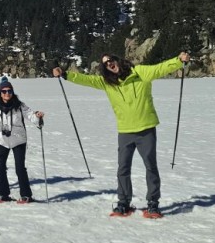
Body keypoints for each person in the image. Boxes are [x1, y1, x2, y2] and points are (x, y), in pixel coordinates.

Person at [53, 51, 190, 218]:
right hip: (125, 131)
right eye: (105, 64)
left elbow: (159, 68)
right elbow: (87, 80)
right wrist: (65, 74)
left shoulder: (139, 72)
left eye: (110, 60)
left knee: (150, 167)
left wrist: (178, 61)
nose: (109, 64)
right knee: (123, 169)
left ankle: (153, 204)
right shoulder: (107, 83)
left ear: (117, 60)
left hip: (146, 128)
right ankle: (124, 203)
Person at [0, 78, 43, 203]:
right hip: (2, 141)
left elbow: (32, 116)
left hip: (19, 140)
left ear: (12, 92)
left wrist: (38, 117)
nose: (7, 94)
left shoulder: (20, 105)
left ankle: (26, 195)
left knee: (20, 168)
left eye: (9, 91)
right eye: (4, 91)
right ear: (0, 93)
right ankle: (2, 193)